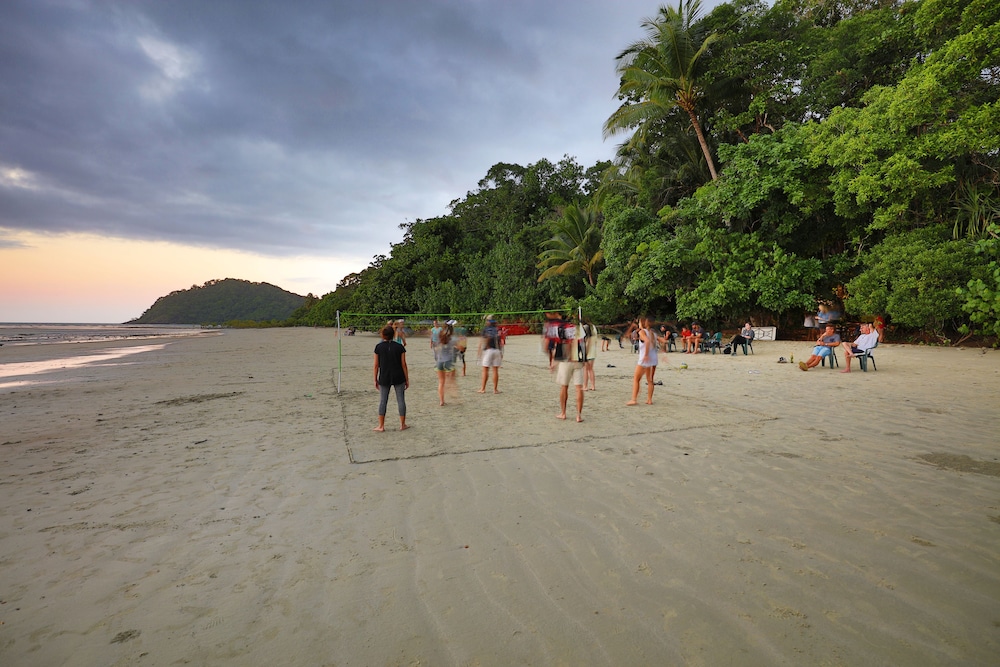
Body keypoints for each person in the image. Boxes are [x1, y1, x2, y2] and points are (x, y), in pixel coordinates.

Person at [373, 325, 409, 431]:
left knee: (383, 400)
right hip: (399, 375)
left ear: (383, 335)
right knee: (401, 400)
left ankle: (381, 425)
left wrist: (375, 379)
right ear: (393, 335)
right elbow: (404, 364)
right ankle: (402, 424)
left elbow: (376, 365)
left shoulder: (378, 347)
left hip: (384, 376)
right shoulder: (400, 347)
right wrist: (407, 378)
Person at [554, 317, 585, 421]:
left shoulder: (562, 328)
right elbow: (583, 344)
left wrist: (555, 360)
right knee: (578, 388)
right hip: (578, 360)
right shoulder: (579, 329)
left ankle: (563, 413)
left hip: (566, 360)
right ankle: (578, 415)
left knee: (564, 387)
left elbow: (559, 344)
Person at [626, 316, 662, 405]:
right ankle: (649, 400)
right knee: (650, 380)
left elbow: (647, 341)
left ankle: (634, 399)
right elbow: (663, 341)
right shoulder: (653, 333)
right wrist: (664, 352)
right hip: (653, 358)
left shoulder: (642, 332)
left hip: (645, 359)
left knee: (636, 379)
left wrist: (645, 355)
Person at [435, 323, 458, 404]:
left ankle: (441, 401)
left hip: (439, 361)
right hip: (448, 361)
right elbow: (460, 348)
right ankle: (452, 391)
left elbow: (436, 349)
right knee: (453, 379)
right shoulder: (453, 339)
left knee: (441, 382)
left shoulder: (440, 338)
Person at [478, 315, 502, 394]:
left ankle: (483, 388)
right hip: (497, 350)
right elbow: (500, 342)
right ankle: (495, 389)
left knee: (485, 370)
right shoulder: (497, 329)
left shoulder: (485, 329)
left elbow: (482, 341)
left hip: (488, 351)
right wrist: (501, 352)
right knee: (495, 370)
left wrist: (479, 352)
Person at [583, 318, 598, 391]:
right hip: (593, 349)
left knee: (586, 369)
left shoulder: (586, 327)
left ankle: (585, 386)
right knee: (591, 369)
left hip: (588, 350)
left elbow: (587, 340)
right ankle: (593, 385)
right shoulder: (593, 327)